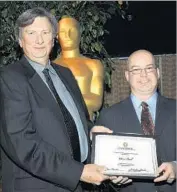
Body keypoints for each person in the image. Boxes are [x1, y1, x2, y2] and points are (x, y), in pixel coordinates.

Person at [0, 7, 129, 192]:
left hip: (76, 185)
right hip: (37, 186)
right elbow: (22, 144)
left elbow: (73, 120)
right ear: (20, 41)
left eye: (45, 32)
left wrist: (91, 130)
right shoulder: (9, 78)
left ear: (54, 39)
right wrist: (78, 172)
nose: (39, 40)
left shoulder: (65, 74)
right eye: (31, 33)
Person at [96, 49, 176, 192]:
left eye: (149, 68)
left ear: (157, 72)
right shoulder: (108, 116)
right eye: (136, 70)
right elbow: (99, 172)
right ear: (127, 76)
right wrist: (112, 179)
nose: (143, 75)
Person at [53, 16, 104, 121]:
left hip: (86, 123)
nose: (68, 36)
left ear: (80, 34)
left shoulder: (94, 65)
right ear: (57, 36)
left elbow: (96, 102)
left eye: (72, 31)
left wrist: (63, 101)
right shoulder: (50, 67)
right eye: (63, 32)